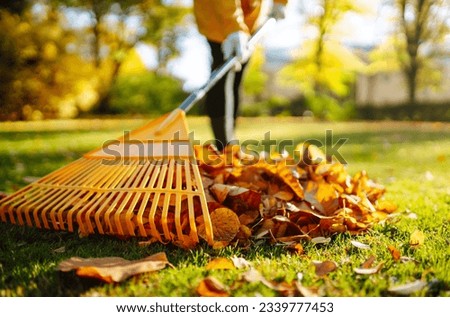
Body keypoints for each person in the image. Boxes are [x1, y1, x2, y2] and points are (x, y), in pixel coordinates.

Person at [193, 0, 288, 151]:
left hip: (250, 19)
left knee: (237, 78)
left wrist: (281, 2)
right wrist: (233, 26)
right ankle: (224, 143)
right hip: (216, 16)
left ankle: (230, 143)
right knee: (222, 75)